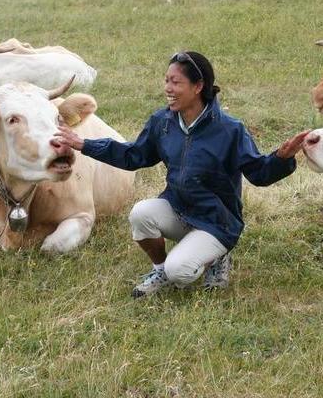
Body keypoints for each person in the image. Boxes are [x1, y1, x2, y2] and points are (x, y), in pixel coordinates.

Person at [53, 51, 308, 298]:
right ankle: (160, 269)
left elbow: (259, 174)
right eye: (166, 80)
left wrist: (281, 158)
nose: (168, 88)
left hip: (217, 222)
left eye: (176, 82)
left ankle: (217, 255)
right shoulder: (163, 122)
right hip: (179, 208)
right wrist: (84, 144)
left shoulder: (230, 130)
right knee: (140, 214)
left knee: (180, 272)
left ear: (198, 87)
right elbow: (134, 155)